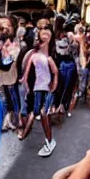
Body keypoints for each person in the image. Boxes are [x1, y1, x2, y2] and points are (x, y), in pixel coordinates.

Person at [18, 25, 58, 155]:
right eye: (43, 32)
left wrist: (54, 87)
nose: (45, 35)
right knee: (37, 112)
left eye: (48, 33)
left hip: (48, 88)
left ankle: (49, 141)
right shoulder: (34, 52)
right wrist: (25, 82)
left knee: (43, 113)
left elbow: (56, 72)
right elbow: (27, 68)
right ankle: (43, 138)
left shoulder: (52, 54)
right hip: (36, 87)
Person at [0, 16, 22, 131]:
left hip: (11, 74)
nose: (4, 29)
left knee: (13, 99)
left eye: (8, 26)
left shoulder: (16, 43)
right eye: (1, 27)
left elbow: (12, 58)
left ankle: (16, 120)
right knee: (2, 99)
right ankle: (4, 121)